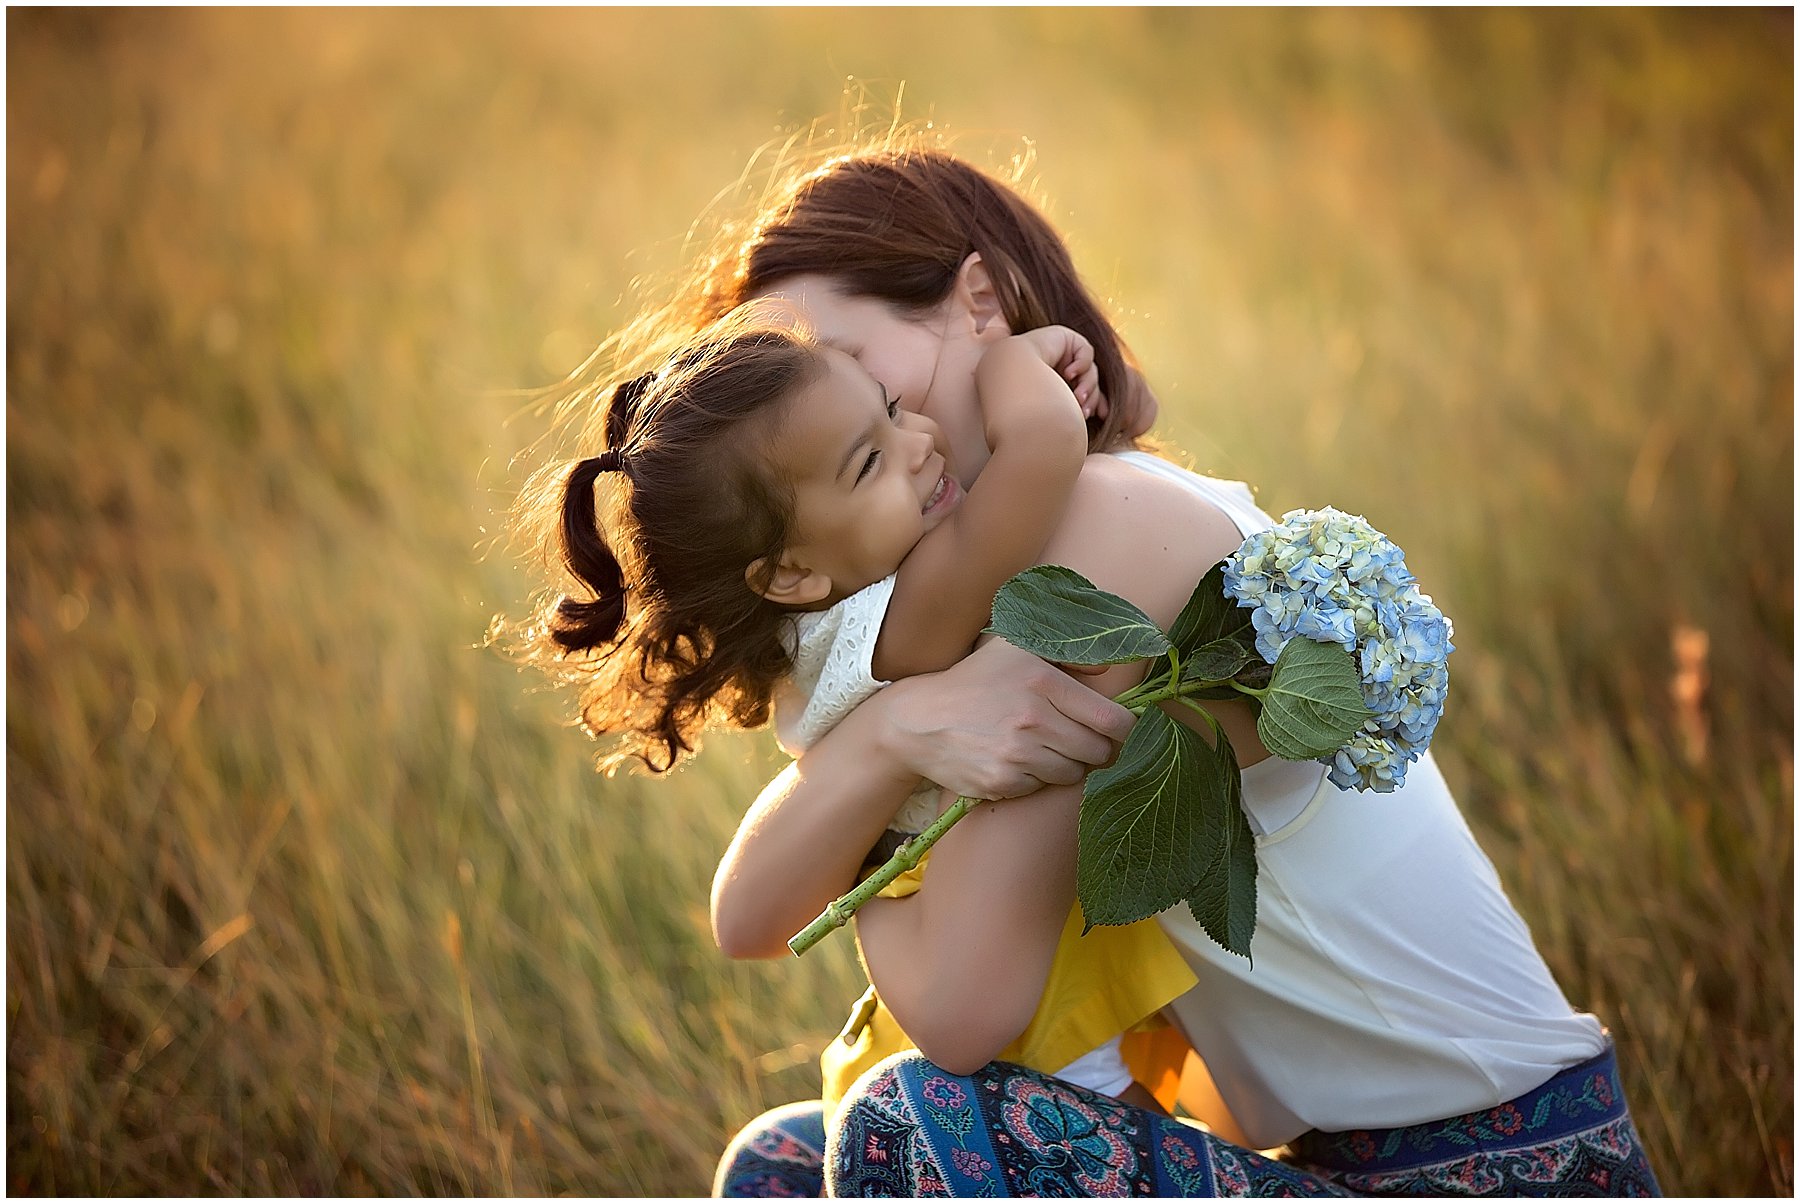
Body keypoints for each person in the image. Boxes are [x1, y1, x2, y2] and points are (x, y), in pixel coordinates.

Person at [676, 141, 1662, 1197]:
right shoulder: (1016, 580)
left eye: (858, 376)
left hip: (1502, 1168)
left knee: (904, 1129)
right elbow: (750, 921)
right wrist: (880, 735)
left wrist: (875, 793)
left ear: (982, 302)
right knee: (780, 1165)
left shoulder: (1096, 533)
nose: (859, 425)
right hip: (1337, 1163)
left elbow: (963, 1009)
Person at [510, 302, 1200, 1127]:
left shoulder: (825, 629)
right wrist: (1014, 364)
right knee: (1105, 1117)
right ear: (792, 574)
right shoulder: (895, 621)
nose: (921, 443)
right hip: (990, 972)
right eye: (870, 463)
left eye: (893, 407)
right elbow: (1045, 452)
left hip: (984, 925)